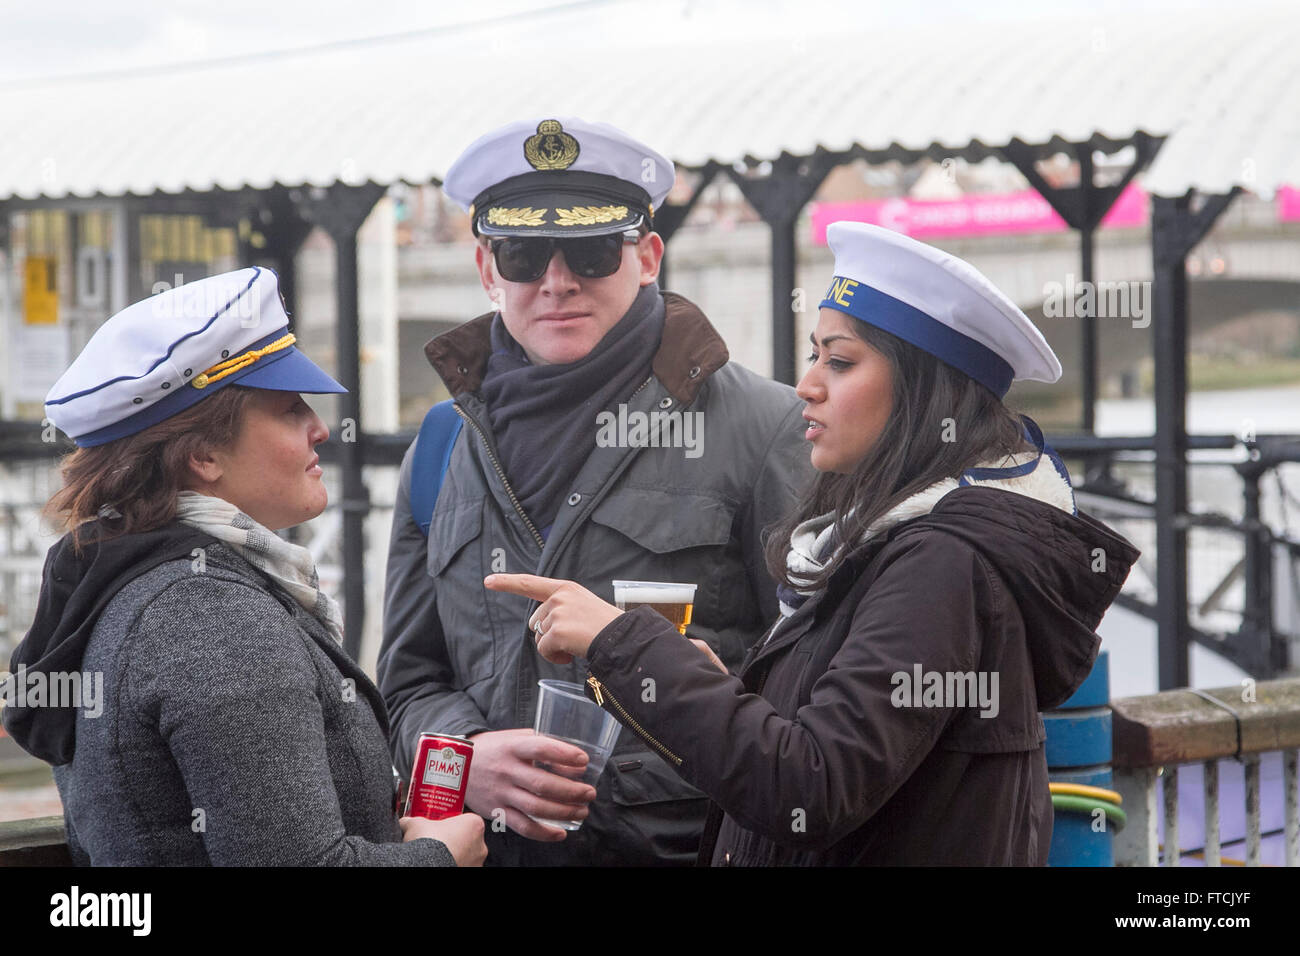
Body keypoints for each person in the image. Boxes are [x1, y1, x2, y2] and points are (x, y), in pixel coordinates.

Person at [486, 221, 1141, 865]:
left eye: (840, 360)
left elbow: (813, 785)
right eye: (813, 354)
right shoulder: (901, 546)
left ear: (923, 392)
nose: (808, 384)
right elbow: (837, 751)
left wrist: (619, 641)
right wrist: (715, 686)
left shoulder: (940, 563)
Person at [378, 117, 813, 866]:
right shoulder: (441, 446)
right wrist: (465, 757)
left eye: (588, 249)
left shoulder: (766, 428)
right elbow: (407, 686)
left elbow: (815, 696)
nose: (557, 281)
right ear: (487, 270)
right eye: (521, 254)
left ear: (646, 257)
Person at [3, 268, 486, 867]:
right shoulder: (212, 617)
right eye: (288, 409)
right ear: (203, 454)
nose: (319, 428)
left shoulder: (139, 580)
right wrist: (441, 856)